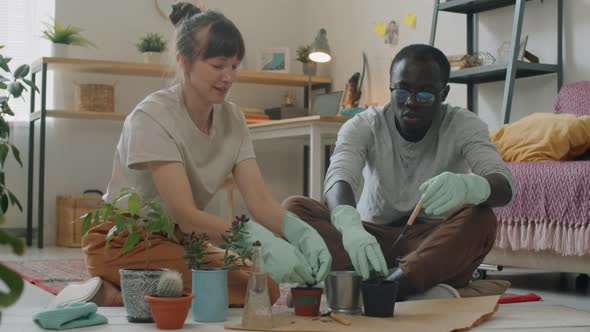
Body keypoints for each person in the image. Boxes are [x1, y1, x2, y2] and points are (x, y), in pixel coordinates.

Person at [54, 2, 331, 307]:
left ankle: (137, 287)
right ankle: (116, 293)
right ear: (183, 61)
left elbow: (260, 202)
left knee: (264, 285)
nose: (228, 76)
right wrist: (254, 239)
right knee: (250, 284)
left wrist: (303, 233)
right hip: (124, 240)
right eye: (217, 65)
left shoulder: (234, 119)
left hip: (179, 240)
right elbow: (185, 214)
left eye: (234, 66)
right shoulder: (153, 116)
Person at [284, 44, 513, 300]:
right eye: (402, 91)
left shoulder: (463, 124)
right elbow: (338, 178)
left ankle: (382, 287)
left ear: (444, 93)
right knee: (294, 210)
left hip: (432, 241)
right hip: (370, 237)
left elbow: (504, 185)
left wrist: (473, 186)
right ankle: (412, 286)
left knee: (482, 218)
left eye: (425, 95)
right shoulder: (364, 124)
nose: (411, 103)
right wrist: (350, 227)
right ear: (390, 87)